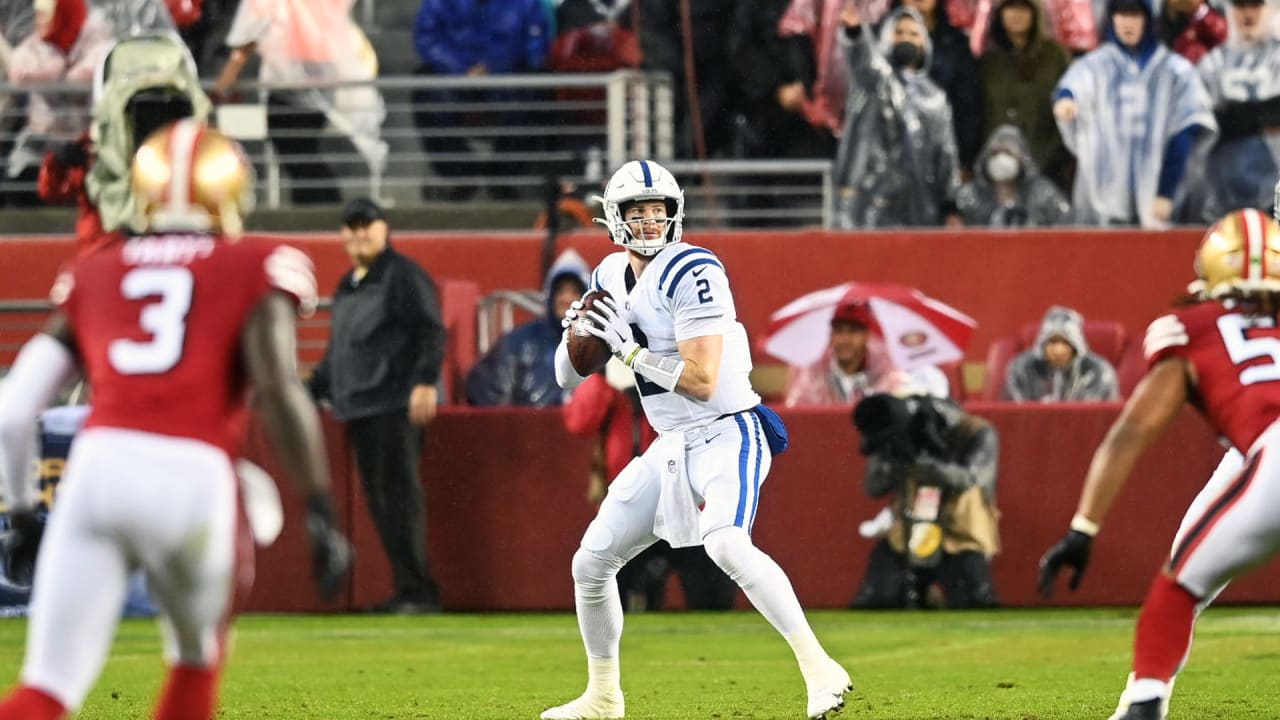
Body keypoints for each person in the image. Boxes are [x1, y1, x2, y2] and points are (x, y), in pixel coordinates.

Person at [0, 119, 351, 720]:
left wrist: (24, 512)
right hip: (193, 478)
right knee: (194, 663)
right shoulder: (256, 261)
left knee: (47, 687)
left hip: (97, 472)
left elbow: (12, 411)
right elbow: (277, 387)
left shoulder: (97, 266)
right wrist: (319, 506)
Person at [542, 160, 851, 720]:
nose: (652, 219)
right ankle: (604, 696)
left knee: (727, 543)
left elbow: (705, 382)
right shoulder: (609, 275)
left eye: (659, 208)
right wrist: (578, 333)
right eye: (639, 210)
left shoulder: (694, 268)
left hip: (728, 429)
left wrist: (631, 353)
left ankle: (819, 668)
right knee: (590, 563)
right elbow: (565, 377)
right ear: (615, 217)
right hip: (669, 442)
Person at [1038, 207, 1280, 720]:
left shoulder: (1191, 327)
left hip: (1271, 452)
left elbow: (1134, 430)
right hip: (1257, 453)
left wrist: (1083, 529)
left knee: (1178, 584)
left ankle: (1143, 703)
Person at [308, 197, 445, 614]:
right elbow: (339, 351)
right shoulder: (349, 284)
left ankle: (419, 591)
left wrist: (424, 381)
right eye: (351, 226)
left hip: (391, 405)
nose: (358, 232)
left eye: (366, 224)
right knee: (384, 506)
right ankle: (407, 589)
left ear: (385, 229)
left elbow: (430, 330)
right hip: (360, 407)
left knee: (399, 501)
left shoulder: (402, 276)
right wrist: (313, 389)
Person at [563, 359, 736, 612]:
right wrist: (602, 372)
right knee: (612, 597)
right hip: (632, 502)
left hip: (691, 500)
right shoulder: (613, 377)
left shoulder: (688, 354)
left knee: (711, 596)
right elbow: (579, 423)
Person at [1053, 0, 1216, 228]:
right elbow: (1073, 86)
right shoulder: (1095, 65)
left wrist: (1166, 192)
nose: (1127, 23)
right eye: (1121, 14)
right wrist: (1066, 99)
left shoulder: (1175, 70)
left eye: (1134, 15)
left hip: (1159, 203)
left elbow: (1187, 127)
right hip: (1103, 203)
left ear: (1147, 19)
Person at [850, 393, 1001, 609]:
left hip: (960, 530)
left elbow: (970, 480)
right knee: (877, 600)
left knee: (976, 601)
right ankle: (924, 597)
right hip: (907, 530)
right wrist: (894, 458)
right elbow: (873, 488)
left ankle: (935, 596)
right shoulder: (893, 430)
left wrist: (922, 461)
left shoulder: (977, 432)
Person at [834, 4, 962, 228]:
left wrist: (950, 204)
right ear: (886, 37)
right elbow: (862, 59)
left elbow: (945, 154)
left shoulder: (935, 98)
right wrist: (857, 33)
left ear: (924, 42)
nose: (906, 38)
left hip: (922, 205)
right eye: (899, 32)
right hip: (870, 203)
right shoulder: (874, 81)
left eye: (914, 34)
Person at [465, 249, 589, 408]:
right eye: (561, 292)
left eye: (574, 292)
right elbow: (489, 400)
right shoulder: (516, 344)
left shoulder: (605, 346)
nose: (566, 299)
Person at [1196, 0, 1280, 218]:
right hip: (1221, 195)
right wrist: (1262, 116)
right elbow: (1202, 125)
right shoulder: (1212, 64)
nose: (1248, 14)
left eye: (1255, 5)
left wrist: (1239, 116)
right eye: (1241, 6)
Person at [976, 0, 1072, 191]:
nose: (1016, 14)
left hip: (1050, 171)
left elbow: (1067, 114)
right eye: (1010, 7)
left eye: (1023, 7)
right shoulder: (987, 63)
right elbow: (978, 116)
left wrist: (1050, 157)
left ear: (1035, 13)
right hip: (997, 172)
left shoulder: (1056, 57)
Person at [784, 301, 949, 407]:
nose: (845, 339)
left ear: (866, 336)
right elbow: (799, 409)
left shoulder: (888, 368)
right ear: (831, 336)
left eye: (853, 332)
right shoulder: (813, 371)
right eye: (839, 332)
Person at [957, 124, 1072, 227]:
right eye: (995, 153)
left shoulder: (1043, 193)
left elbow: (1066, 227)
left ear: (1022, 159)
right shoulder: (971, 195)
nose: (1001, 160)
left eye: (1008, 153)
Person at [1003, 305, 1120, 401]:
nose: (1058, 350)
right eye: (1053, 342)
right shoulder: (1021, 369)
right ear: (1042, 343)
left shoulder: (1099, 372)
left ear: (1076, 345)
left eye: (1065, 342)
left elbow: (1108, 418)